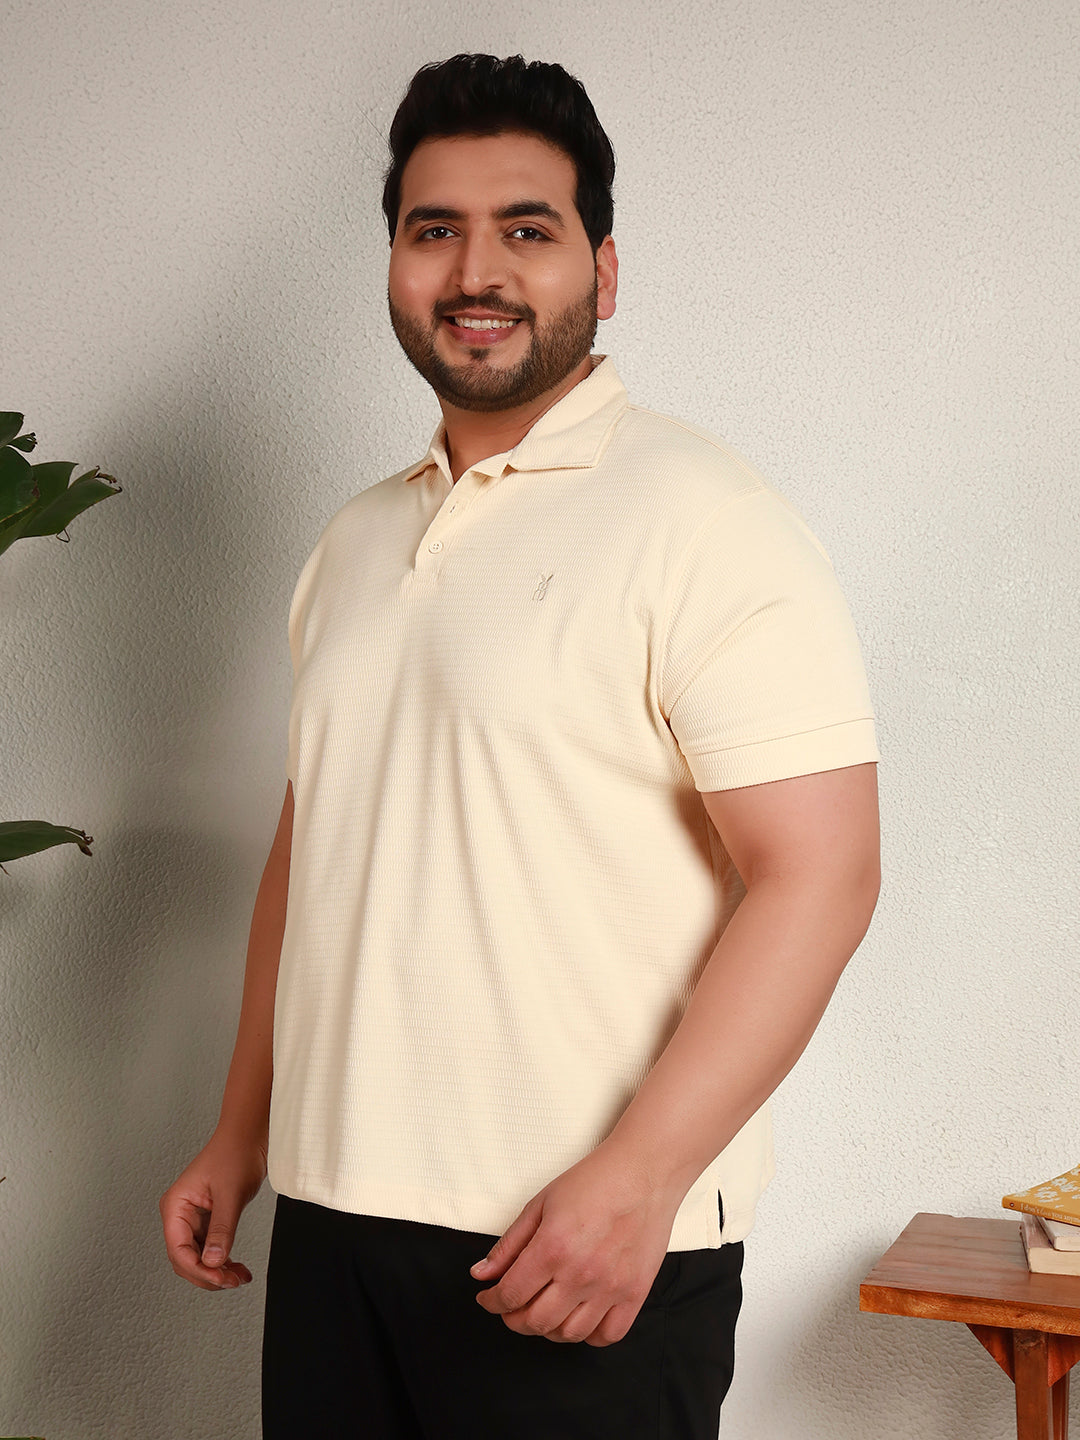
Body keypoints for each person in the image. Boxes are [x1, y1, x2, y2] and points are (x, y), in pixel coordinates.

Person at [160, 52, 881, 1439]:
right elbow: (315, 849)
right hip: (333, 1227)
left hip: (579, 1243)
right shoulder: (357, 541)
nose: (474, 271)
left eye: (526, 229)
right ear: (393, 262)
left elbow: (824, 876)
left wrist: (642, 1178)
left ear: (602, 271)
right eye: (434, 229)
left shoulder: (707, 520)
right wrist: (243, 1129)